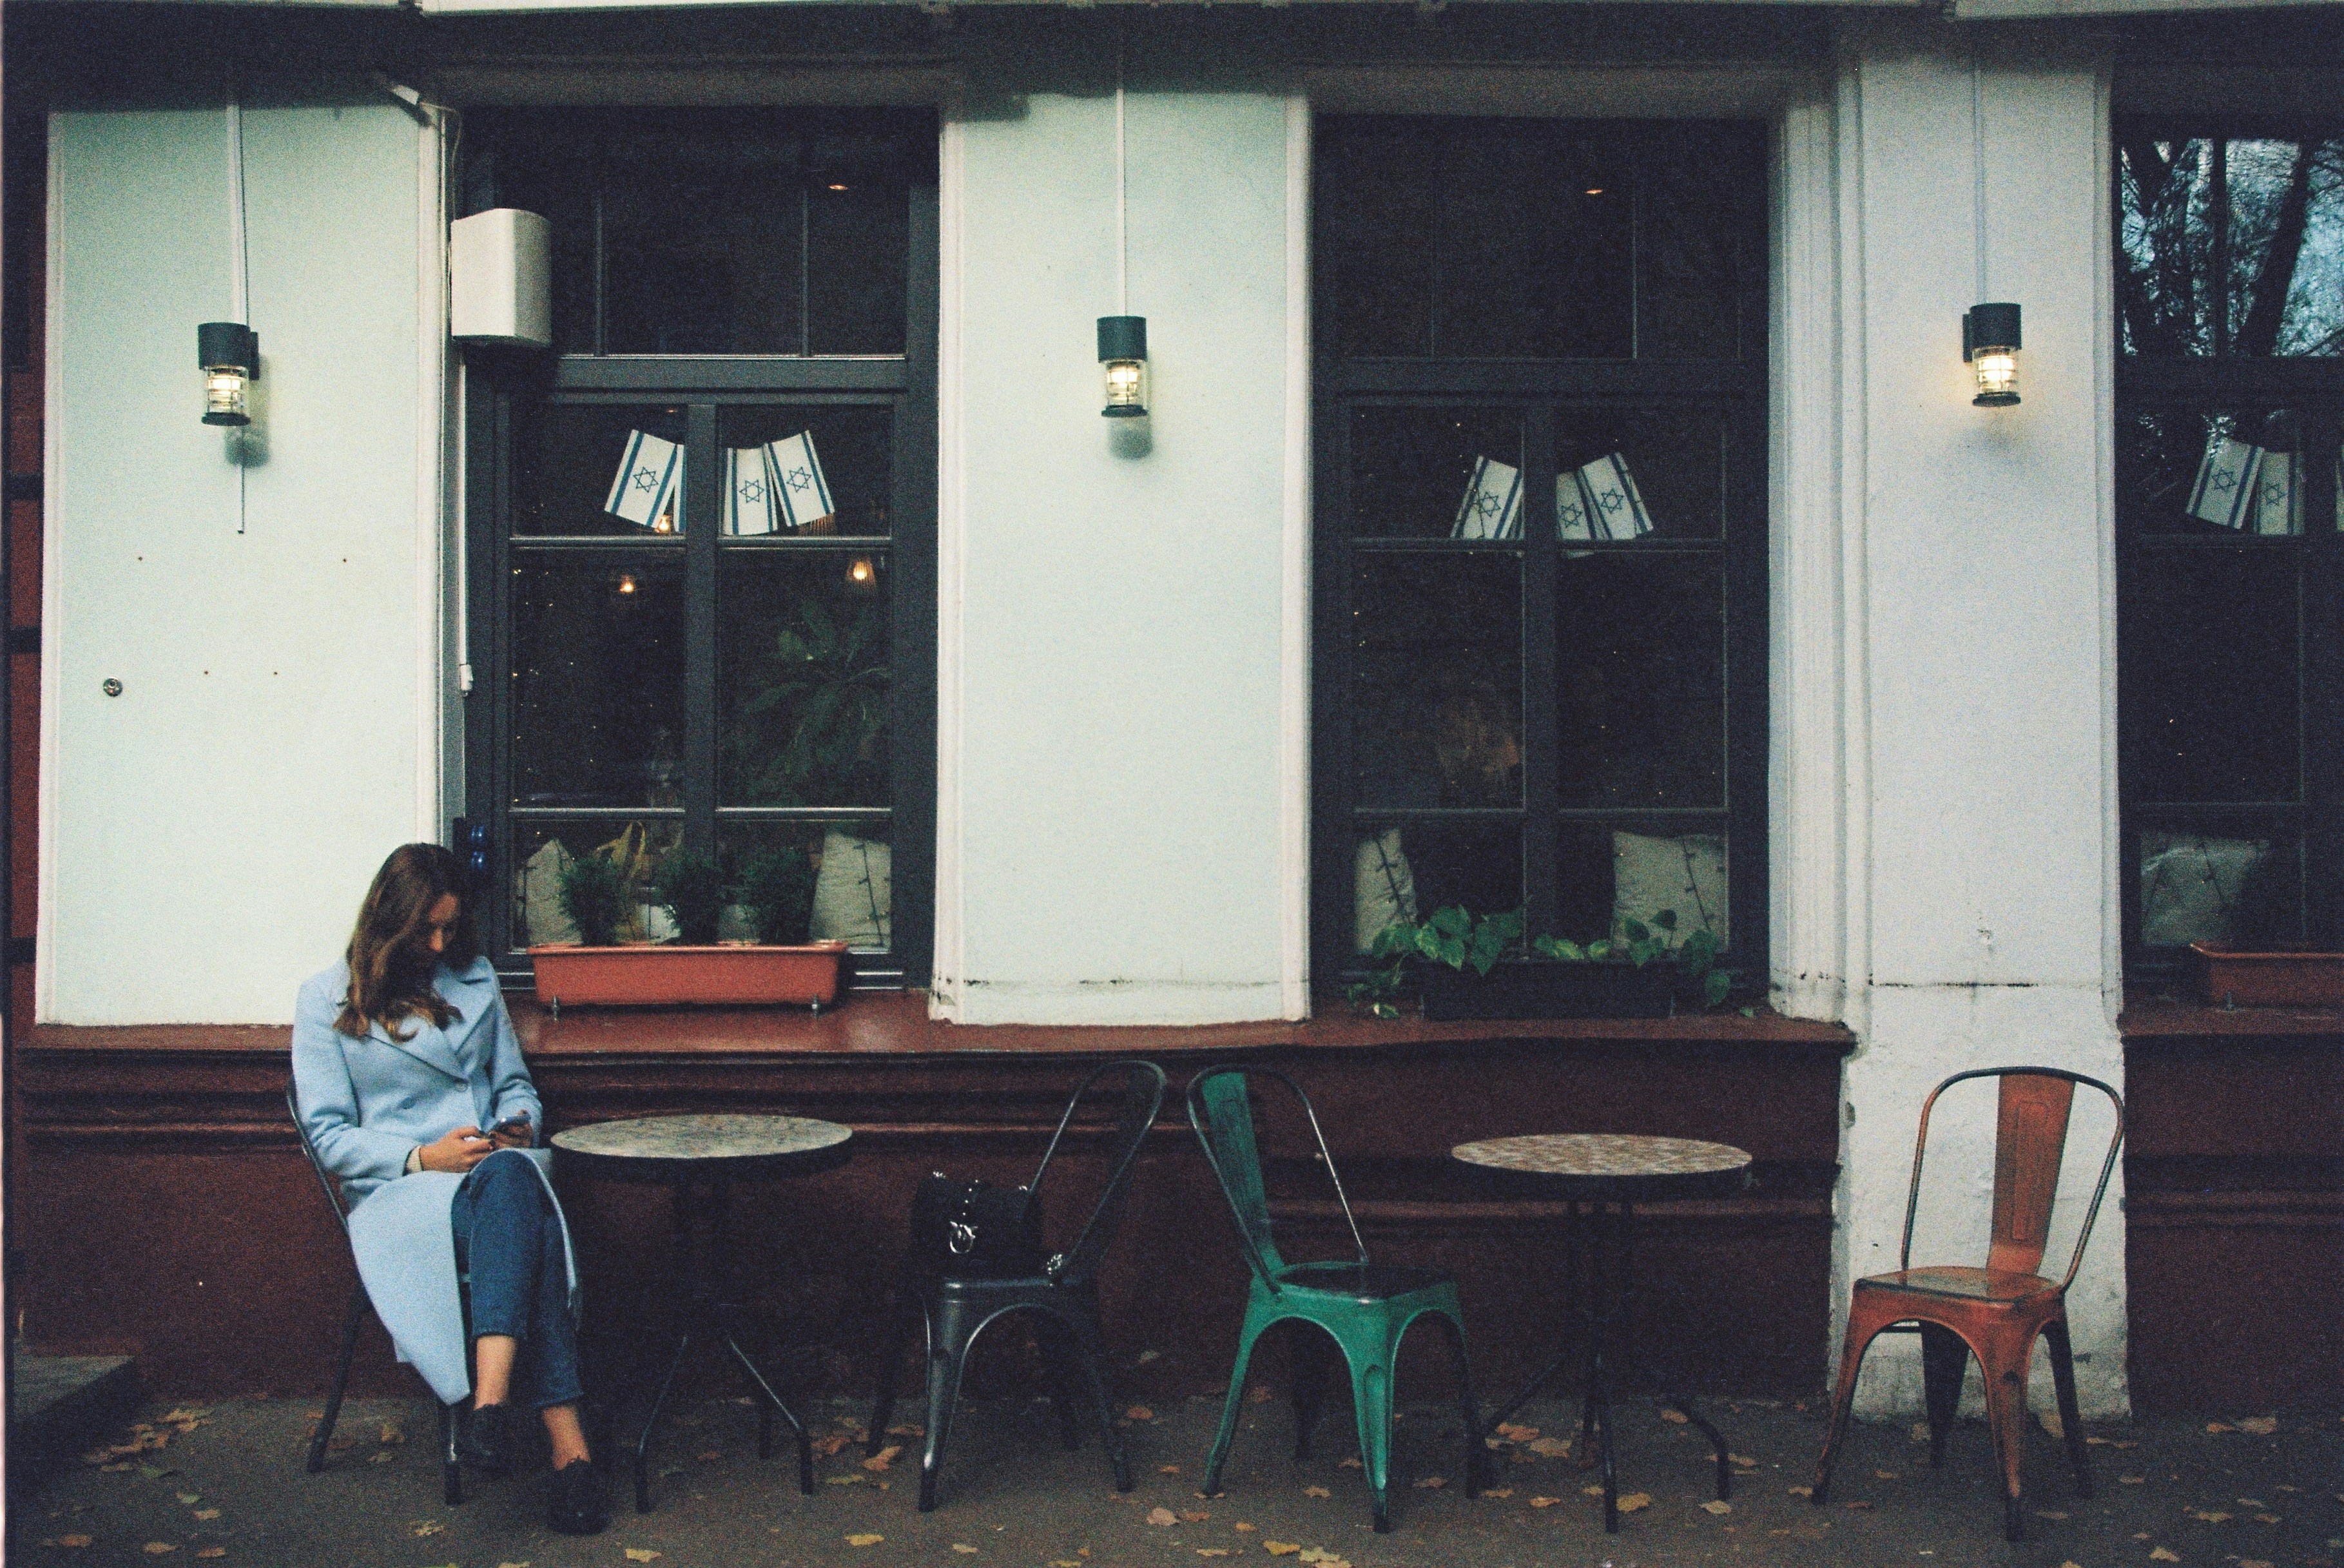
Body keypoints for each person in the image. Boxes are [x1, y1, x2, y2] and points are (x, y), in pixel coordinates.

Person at [292, 843, 606, 1535]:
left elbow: (515, 1083)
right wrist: (419, 1157)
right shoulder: (323, 1003)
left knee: (513, 1185)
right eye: (425, 931)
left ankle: (487, 1409)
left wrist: (516, 1124)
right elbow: (330, 1136)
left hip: (495, 1172)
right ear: (388, 923)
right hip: (405, 1197)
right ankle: (568, 1453)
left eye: (449, 929)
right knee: (531, 1226)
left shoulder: (476, 978)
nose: (439, 945)